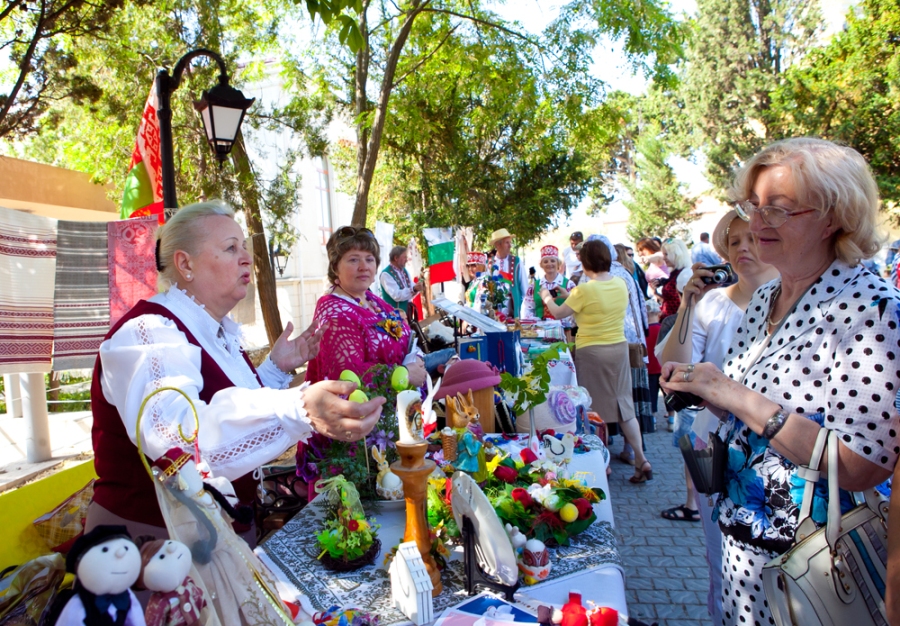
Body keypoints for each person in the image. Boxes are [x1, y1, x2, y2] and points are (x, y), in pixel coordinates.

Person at [659, 138, 900, 626]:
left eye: (779, 209)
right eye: (754, 205)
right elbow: (759, 412)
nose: (758, 221)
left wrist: (731, 393)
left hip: (812, 563)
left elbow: (862, 465)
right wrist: (708, 391)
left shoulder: (870, 309)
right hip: (741, 546)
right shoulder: (768, 296)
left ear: (834, 216)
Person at [88, 201, 385, 543]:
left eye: (244, 247)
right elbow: (178, 443)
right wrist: (299, 407)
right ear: (185, 263)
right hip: (151, 548)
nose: (247, 258)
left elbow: (220, 401)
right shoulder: (148, 333)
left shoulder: (213, 330)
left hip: (216, 533)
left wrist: (275, 369)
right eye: (231, 248)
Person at [655, 210, 779, 625]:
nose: (744, 248)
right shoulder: (711, 304)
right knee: (723, 560)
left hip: (782, 455)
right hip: (718, 449)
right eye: (735, 240)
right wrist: (689, 303)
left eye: (753, 238)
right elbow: (673, 366)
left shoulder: (800, 302)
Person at [540, 239, 653, 484]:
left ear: (585, 260)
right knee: (624, 407)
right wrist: (569, 296)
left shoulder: (585, 288)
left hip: (592, 351)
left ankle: (600, 464)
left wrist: (546, 297)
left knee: (588, 409)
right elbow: (596, 305)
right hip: (618, 348)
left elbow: (560, 313)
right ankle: (641, 458)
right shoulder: (620, 283)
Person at [305, 226, 428, 388]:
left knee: (461, 365)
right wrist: (403, 373)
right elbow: (346, 375)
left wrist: (417, 358)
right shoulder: (335, 313)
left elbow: (406, 336)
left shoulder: (371, 299)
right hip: (368, 410)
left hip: (403, 398)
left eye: (369, 259)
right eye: (354, 259)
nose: (364, 266)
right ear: (335, 268)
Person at [522, 245, 574, 338]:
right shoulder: (534, 286)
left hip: (564, 332)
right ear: (541, 265)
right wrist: (535, 321)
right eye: (545, 261)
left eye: (553, 261)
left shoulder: (569, 284)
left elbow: (575, 307)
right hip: (539, 331)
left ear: (558, 263)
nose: (549, 264)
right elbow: (528, 308)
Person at [488, 228, 528, 320]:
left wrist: (524, 312)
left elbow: (525, 289)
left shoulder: (517, 262)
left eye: (510, 242)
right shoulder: (489, 263)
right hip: (493, 308)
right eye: (507, 242)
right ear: (498, 245)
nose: (510, 246)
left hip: (513, 308)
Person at [380, 245, 421, 314]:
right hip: (393, 316)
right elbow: (397, 295)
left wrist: (417, 287)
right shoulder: (386, 274)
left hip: (406, 313)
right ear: (396, 258)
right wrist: (414, 289)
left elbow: (411, 285)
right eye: (404, 257)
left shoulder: (404, 271)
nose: (406, 259)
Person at [659, 237, 691, 320]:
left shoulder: (685, 274)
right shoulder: (675, 272)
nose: (664, 258)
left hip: (676, 322)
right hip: (670, 320)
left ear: (676, 254)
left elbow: (686, 303)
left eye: (666, 254)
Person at [644, 298, 662, 417]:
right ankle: (671, 419)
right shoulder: (662, 329)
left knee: (652, 395)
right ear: (659, 313)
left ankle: (653, 419)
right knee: (668, 394)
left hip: (649, 368)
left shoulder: (643, 332)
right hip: (663, 366)